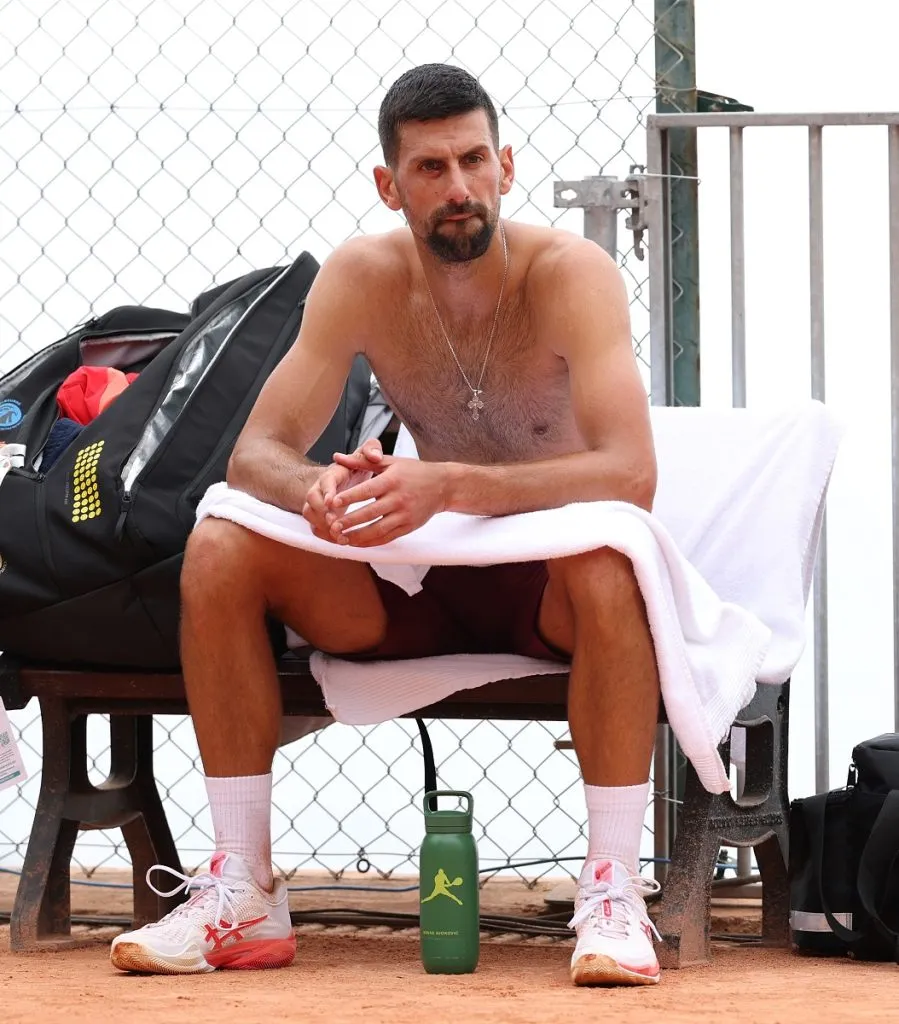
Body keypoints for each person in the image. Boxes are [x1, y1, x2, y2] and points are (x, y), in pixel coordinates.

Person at [110, 63, 662, 986]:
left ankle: (611, 892)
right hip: (417, 581)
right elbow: (257, 456)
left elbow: (630, 475)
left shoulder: (572, 275)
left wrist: (446, 482)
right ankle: (242, 887)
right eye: (430, 168)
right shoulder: (363, 275)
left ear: (506, 167)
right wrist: (316, 494)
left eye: (472, 160)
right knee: (220, 546)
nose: (456, 187)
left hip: (551, 592)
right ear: (388, 184)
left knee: (606, 557)